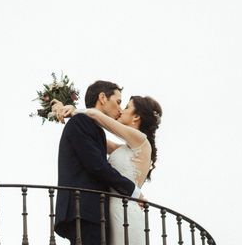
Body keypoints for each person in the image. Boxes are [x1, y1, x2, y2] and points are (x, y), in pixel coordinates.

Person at [54, 93, 162, 245]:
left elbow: (95, 114)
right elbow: (91, 140)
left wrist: (73, 110)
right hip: (109, 213)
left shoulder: (141, 140)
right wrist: (65, 111)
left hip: (125, 212)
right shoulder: (123, 149)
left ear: (136, 117)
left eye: (126, 107)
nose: (121, 110)